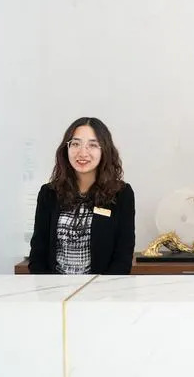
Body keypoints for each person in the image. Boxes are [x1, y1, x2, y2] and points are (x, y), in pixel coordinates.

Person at [29, 117, 135, 275]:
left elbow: (123, 256)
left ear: (104, 150)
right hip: (54, 287)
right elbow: (38, 253)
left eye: (92, 145)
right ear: (66, 148)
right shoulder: (49, 193)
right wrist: (47, 287)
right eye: (76, 144)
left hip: (103, 287)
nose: (83, 152)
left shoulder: (121, 194)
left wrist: (103, 288)